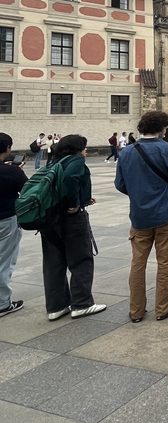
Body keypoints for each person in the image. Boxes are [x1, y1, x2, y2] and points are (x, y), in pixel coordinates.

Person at [115, 111, 168, 321]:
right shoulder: (166, 149)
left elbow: (120, 184)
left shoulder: (127, 152)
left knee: (138, 262)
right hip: (165, 213)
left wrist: (139, 194)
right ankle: (163, 307)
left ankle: (136, 311)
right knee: (165, 260)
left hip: (139, 216)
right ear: (162, 129)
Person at [40, 134, 106, 320]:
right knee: (81, 260)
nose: (86, 151)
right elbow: (69, 180)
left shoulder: (54, 161)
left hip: (50, 219)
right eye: (84, 147)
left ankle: (56, 307)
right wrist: (74, 204)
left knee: (54, 262)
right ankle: (82, 303)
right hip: (70, 219)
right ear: (77, 149)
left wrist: (83, 198)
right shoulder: (76, 161)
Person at [0, 133, 26, 317]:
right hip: (6, 220)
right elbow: (27, 189)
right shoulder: (11, 171)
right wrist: (17, 171)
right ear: (7, 149)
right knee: (4, 261)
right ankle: (2, 303)